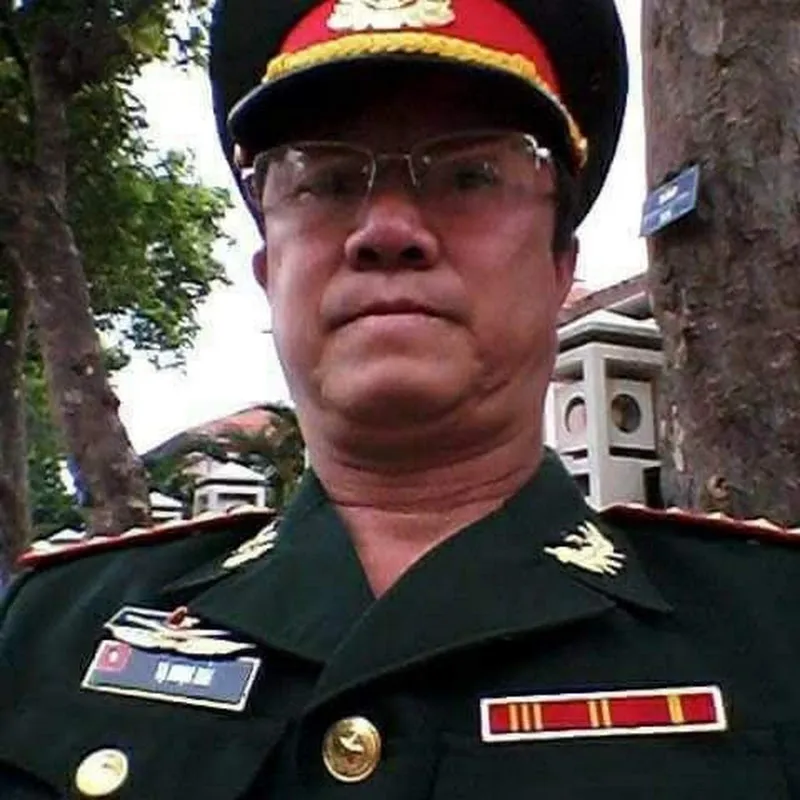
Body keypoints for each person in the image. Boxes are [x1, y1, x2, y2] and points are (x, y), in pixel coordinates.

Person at [1, 0, 800, 797]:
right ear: (270, 272)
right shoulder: (50, 634)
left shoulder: (773, 627)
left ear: (561, 270)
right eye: (328, 181)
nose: (386, 230)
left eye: (469, 176)